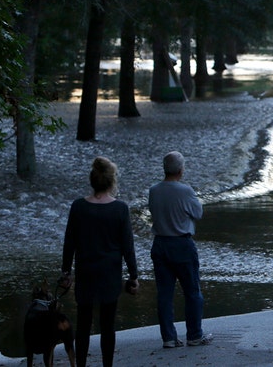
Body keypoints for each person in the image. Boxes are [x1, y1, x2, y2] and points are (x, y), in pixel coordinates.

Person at [61, 157, 138, 367]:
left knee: (84, 324)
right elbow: (127, 246)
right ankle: (107, 365)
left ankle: (81, 365)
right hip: (110, 273)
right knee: (107, 325)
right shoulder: (120, 209)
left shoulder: (78, 207)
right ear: (112, 182)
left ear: (92, 180)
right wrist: (133, 276)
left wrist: (66, 272)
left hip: (86, 271)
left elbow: (70, 243)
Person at [147, 151, 212, 348]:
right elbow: (198, 213)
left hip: (160, 244)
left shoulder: (154, 190)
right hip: (182, 244)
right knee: (192, 291)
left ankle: (168, 337)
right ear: (181, 170)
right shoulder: (185, 191)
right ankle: (194, 334)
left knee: (164, 293)